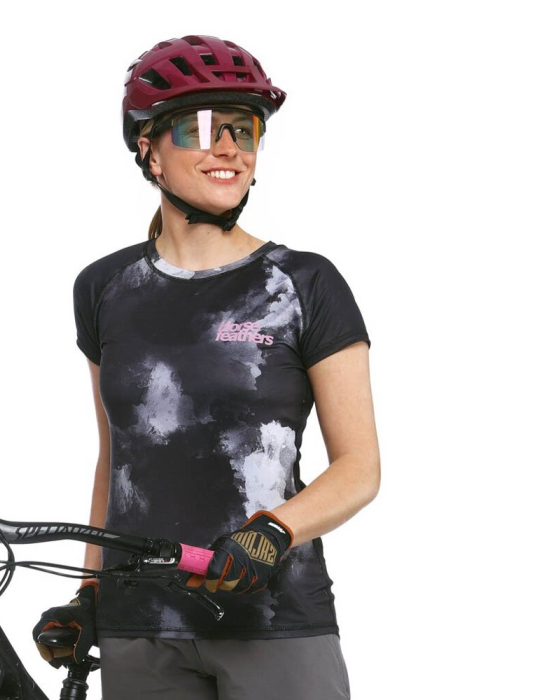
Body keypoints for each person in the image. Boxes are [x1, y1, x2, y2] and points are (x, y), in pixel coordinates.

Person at [33, 34, 380, 699]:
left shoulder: (304, 284)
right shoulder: (103, 289)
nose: (228, 148)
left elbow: (360, 468)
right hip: (140, 626)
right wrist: (89, 592)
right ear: (148, 149)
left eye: (243, 130)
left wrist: (272, 534)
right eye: (199, 128)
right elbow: (117, 460)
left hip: (274, 621)